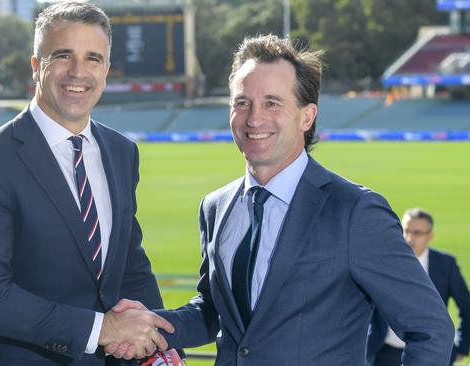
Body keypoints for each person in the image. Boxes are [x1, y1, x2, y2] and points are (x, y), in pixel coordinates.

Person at [111, 34, 454, 365]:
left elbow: (431, 328)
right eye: (242, 103)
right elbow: (215, 310)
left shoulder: (355, 212)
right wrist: (151, 324)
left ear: (307, 116)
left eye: (272, 103)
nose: (254, 118)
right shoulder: (215, 207)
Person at [0, 2, 173, 365]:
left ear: (107, 70)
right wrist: (101, 329)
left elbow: (130, 264)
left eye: (93, 59)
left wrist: (159, 345)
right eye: (63, 55)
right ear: (37, 66)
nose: (78, 72)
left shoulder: (121, 152)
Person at [367, 208, 470, 366]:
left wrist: (461, 347)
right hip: (383, 353)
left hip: (428, 354)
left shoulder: (446, 265)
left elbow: (466, 306)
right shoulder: (383, 262)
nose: (409, 238)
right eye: (406, 231)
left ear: (430, 235)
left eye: (417, 233)